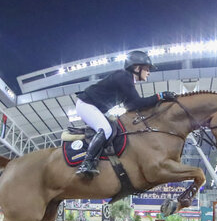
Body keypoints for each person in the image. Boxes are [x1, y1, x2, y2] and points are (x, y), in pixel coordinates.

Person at [72, 50, 175, 178]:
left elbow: (130, 105)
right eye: (147, 68)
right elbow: (137, 102)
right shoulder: (124, 77)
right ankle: (87, 163)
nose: (149, 72)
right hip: (86, 105)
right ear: (137, 68)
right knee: (106, 130)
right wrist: (160, 96)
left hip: (94, 107)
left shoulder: (127, 79)